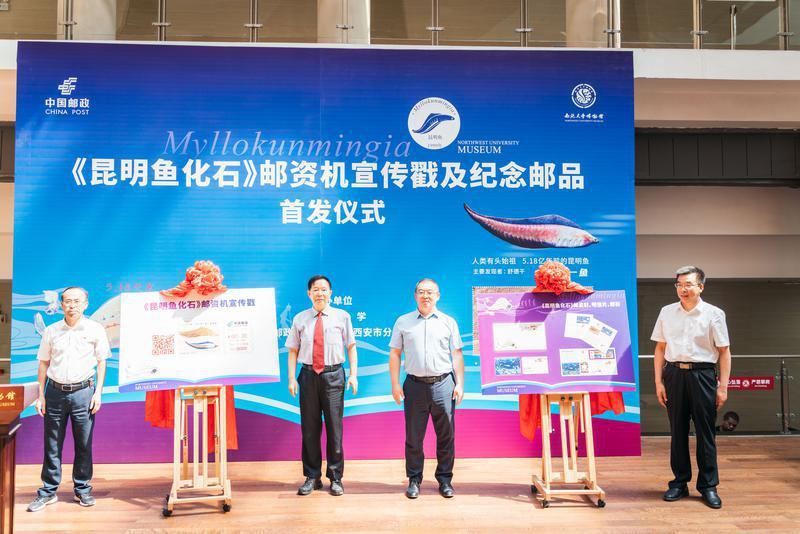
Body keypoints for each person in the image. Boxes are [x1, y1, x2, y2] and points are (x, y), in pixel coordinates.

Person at [651, 266, 731, 509]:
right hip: (674, 374)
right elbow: (660, 348)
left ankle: (708, 486)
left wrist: (723, 387)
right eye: (679, 284)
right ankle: (679, 483)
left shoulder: (714, 314)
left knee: (706, 432)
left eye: (688, 284)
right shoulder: (667, 312)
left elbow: (724, 351)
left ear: (700, 287)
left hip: (703, 375)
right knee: (677, 430)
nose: (682, 289)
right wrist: (658, 382)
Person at [27, 287, 110, 512]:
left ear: (85, 304)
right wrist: (41, 395)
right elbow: (43, 363)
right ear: (61, 305)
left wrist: (98, 392)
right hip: (54, 392)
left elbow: (102, 361)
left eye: (76, 301)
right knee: (52, 443)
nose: (72, 305)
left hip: (84, 392)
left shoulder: (95, 329)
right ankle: (48, 491)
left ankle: (82, 488)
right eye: (67, 301)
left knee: (84, 442)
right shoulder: (51, 331)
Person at [389, 278, 464, 499]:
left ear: (438, 296)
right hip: (414, 385)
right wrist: (395, 384)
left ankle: (445, 480)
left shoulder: (448, 322)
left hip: (444, 384)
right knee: (414, 437)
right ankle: (414, 480)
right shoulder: (403, 322)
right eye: (421, 292)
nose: (426, 296)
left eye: (430, 292)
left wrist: (460, 384)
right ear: (415, 296)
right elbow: (395, 353)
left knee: (446, 436)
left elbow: (457, 355)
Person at [286, 275, 358, 496]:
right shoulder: (300, 319)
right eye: (315, 289)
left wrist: (354, 375)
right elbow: (293, 350)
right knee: (309, 429)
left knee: (335, 429)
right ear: (309, 293)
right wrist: (291, 378)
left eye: (324, 289)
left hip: (334, 376)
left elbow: (351, 346)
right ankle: (312, 476)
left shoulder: (342, 316)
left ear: (330, 293)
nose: (320, 293)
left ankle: (336, 477)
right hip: (308, 376)